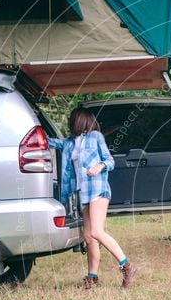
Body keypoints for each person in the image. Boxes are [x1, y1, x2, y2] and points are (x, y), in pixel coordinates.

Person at [49, 106, 138, 289]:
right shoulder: (70, 143)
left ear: (80, 120)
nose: (70, 123)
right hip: (84, 193)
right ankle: (92, 278)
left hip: (98, 189)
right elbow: (52, 142)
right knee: (89, 237)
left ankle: (127, 266)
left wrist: (99, 166)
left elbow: (110, 160)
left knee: (97, 231)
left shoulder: (96, 137)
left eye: (72, 120)